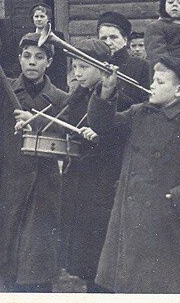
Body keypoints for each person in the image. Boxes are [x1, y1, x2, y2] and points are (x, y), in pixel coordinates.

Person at [86, 56, 180, 293]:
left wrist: (178, 198)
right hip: (131, 226)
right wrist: (107, 90)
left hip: (171, 228)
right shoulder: (139, 113)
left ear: (179, 90)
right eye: (153, 80)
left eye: (160, 82)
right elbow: (103, 125)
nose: (151, 85)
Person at [0, 33, 69, 292]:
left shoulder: (61, 98)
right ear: (19, 59)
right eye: (27, 56)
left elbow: (69, 134)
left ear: (49, 62)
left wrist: (38, 121)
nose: (32, 62)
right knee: (2, 257)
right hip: (3, 183)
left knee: (34, 264)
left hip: (40, 188)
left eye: (39, 57)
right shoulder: (3, 89)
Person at [59, 39, 125, 292]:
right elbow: (63, 119)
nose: (77, 73)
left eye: (84, 67)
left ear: (101, 68)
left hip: (104, 180)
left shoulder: (118, 95)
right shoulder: (78, 95)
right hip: (81, 179)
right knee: (86, 254)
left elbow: (115, 133)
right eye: (75, 67)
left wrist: (97, 137)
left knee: (102, 251)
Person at [96, 11, 150, 110]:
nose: (108, 42)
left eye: (113, 37)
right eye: (103, 38)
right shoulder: (95, 64)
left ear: (125, 40)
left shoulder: (142, 66)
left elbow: (146, 104)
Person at [30, 3, 67, 91]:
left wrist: (62, 85)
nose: (39, 19)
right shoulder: (29, 36)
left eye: (42, 16)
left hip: (54, 78)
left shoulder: (58, 35)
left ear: (48, 18)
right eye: (36, 16)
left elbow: (61, 62)